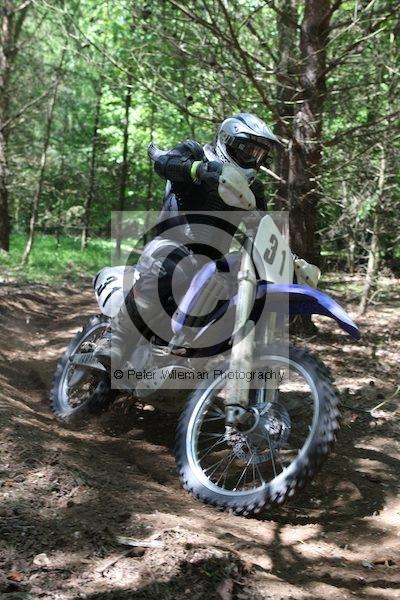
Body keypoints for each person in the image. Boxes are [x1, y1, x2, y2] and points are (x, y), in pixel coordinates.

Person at [94, 113, 281, 367]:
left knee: (243, 290)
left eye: (259, 155)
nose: (254, 160)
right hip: (169, 245)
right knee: (173, 268)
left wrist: (287, 258)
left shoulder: (253, 190)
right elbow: (163, 162)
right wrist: (199, 170)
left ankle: (209, 362)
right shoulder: (195, 153)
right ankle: (113, 338)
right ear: (229, 142)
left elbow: (262, 228)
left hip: (212, 264)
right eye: (249, 151)